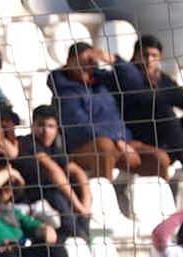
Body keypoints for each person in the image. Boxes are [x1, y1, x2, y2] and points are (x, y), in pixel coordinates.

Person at [47, 43, 169, 181]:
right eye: (80, 61)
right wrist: (117, 141)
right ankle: (104, 199)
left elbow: (135, 82)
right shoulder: (64, 90)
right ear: (69, 63)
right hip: (84, 147)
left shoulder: (102, 81)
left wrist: (113, 59)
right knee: (104, 147)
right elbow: (79, 126)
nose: (84, 66)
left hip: (122, 143)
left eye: (90, 61)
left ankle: (161, 200)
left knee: (160, 159)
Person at [116, 35, 183, 176]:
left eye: (154, 56)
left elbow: (180, 99)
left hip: (168, 141)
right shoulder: (127, 76)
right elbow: (148, 99)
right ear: (135, 55)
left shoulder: (161, 79)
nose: (149, 60)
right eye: (145, 55)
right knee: (164, 110)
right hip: (141, 141)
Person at [13, 105, 92, 242]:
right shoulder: (26, 143)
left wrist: (86, 202)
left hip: (55, 194)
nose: (46, 131)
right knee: (57, 196)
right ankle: (75, 235)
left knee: (80, 190)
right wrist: (79, 206)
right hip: (31, 195)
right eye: (41, 125)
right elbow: (52, 170)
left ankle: (83, 238)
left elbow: (76, 171)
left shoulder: (55, 147)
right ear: (33, 125)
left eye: (51, 126)